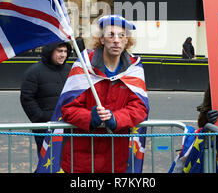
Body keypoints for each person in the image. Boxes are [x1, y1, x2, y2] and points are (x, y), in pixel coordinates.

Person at [60, 15, 149, 173]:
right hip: (81, 160)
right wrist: (90, 117)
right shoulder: (83, 67)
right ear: (101, 39)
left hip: (115, 159)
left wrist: (116, 118)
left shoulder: (134, 70)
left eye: (121, 36)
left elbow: (140, 108)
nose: (116, 40)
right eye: (111, 35)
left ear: (126, 41)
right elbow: (68, 108)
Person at [20, 41, 72, 158]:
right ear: (50, 51)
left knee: (67, 162)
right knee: (46, 162)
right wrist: (41, 118)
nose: (63, 55)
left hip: (68, 126)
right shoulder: (34, 71)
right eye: (59, 51)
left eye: (65, 51)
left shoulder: (70, 70)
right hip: (45, 128)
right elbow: (27, 98)